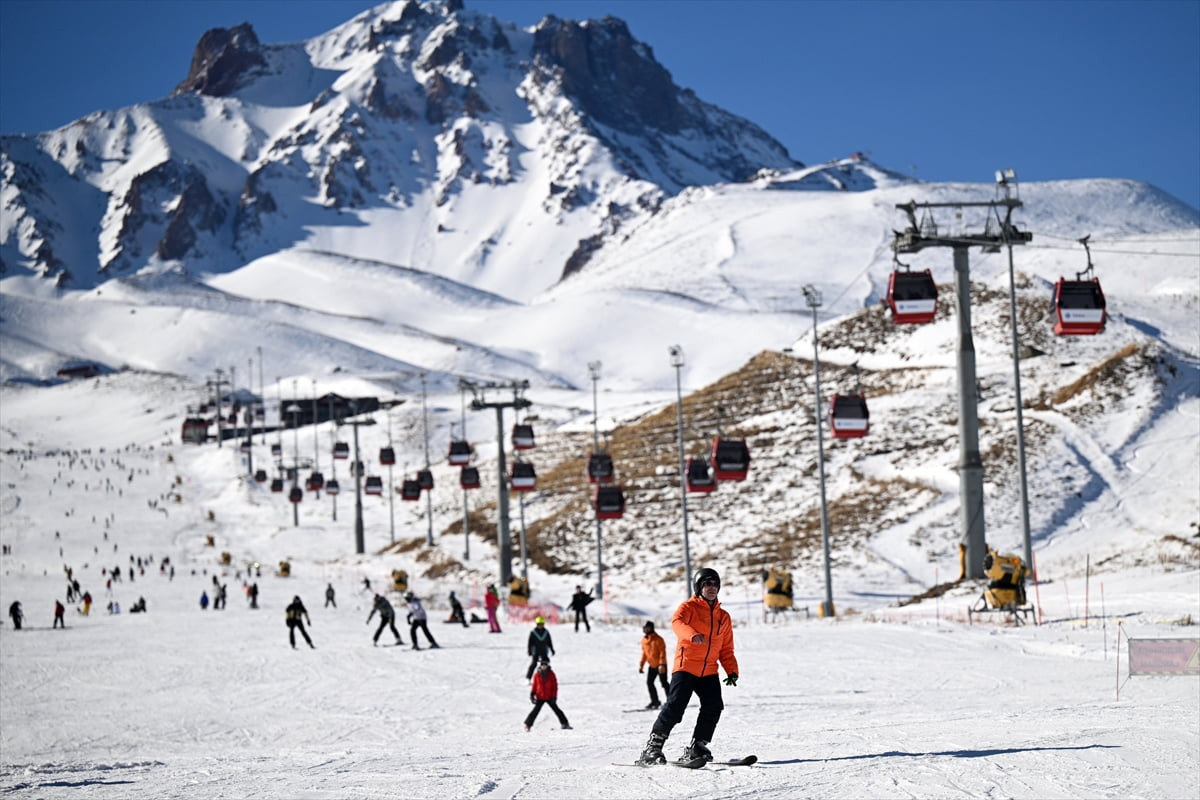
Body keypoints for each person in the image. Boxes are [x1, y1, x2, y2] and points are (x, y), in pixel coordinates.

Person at [637, 567, 739, 766]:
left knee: (713, 706)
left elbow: (726, 648)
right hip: (686, 666)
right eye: (707, 583)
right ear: (698, 586)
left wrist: (732, 670)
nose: (711, 587)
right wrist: (691, 634)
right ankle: (653, 747)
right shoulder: (688, 607)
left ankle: (697, 746)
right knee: (675, 706)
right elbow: (677, 622)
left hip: (709, 669)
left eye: (715, 583)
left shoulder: (723, 617)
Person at [524, 656, 572, 731]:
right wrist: (532, 694)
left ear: (548, 665)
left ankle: (565, 723)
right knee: (535, 711)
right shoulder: (537, 675)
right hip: (540, 696)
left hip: (550, 696)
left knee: (557, 710)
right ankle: (528, 725)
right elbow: (535, 686)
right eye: (542, 665)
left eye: (545, 665)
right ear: (540, 666)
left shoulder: (551, 674)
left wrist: (554, 697)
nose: (544, 666)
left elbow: (555, 686)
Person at [639, 620, 670, 709]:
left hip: (661, 665)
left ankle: (671, 701)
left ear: (651, 628)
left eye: (647, 628)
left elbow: (662, 653)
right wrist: (641, 665)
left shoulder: (658, 639)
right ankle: (655, 702)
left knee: (664, 683)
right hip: (652, 665)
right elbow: (644, 654)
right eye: (644, 628)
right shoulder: (644, 640)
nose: (645, 630)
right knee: (649, 683)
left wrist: (661, 664)